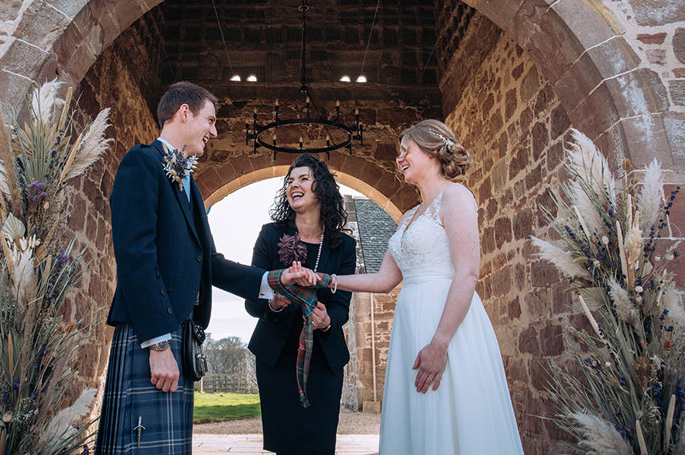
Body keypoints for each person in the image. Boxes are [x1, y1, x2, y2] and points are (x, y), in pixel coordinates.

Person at [94, 81, 313, 455]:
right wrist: (158, 342)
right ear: (184, 113)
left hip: (178, 330)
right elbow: (136, 257)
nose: (214, 131)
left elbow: (207, 262)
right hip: (153, 333)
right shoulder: (141, 162)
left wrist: (271, 281)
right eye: (210, 120)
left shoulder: (189, 184)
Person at [294, 119, 524, 454]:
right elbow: (384, 280)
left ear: (432, 151)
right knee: (418, 415)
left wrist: (440, 343)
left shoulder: (456, 197)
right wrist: (327, 280)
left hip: (446, 325)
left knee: (449, 409)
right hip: (411, 324)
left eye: (407, 150)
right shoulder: (410, 216)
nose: (400, 159)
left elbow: (468, 273)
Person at [245, 154, 357, 455]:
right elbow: (252, 303)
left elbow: (341, 306)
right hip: (277, 357)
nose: (294, 185)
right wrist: (276, 301)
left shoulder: (344, 246)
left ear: (321, 188)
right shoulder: (271, 235)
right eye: (290, 181)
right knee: (285, 444)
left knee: (319, 444)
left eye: (303, 179)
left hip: (324, 358)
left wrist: (326, 320)